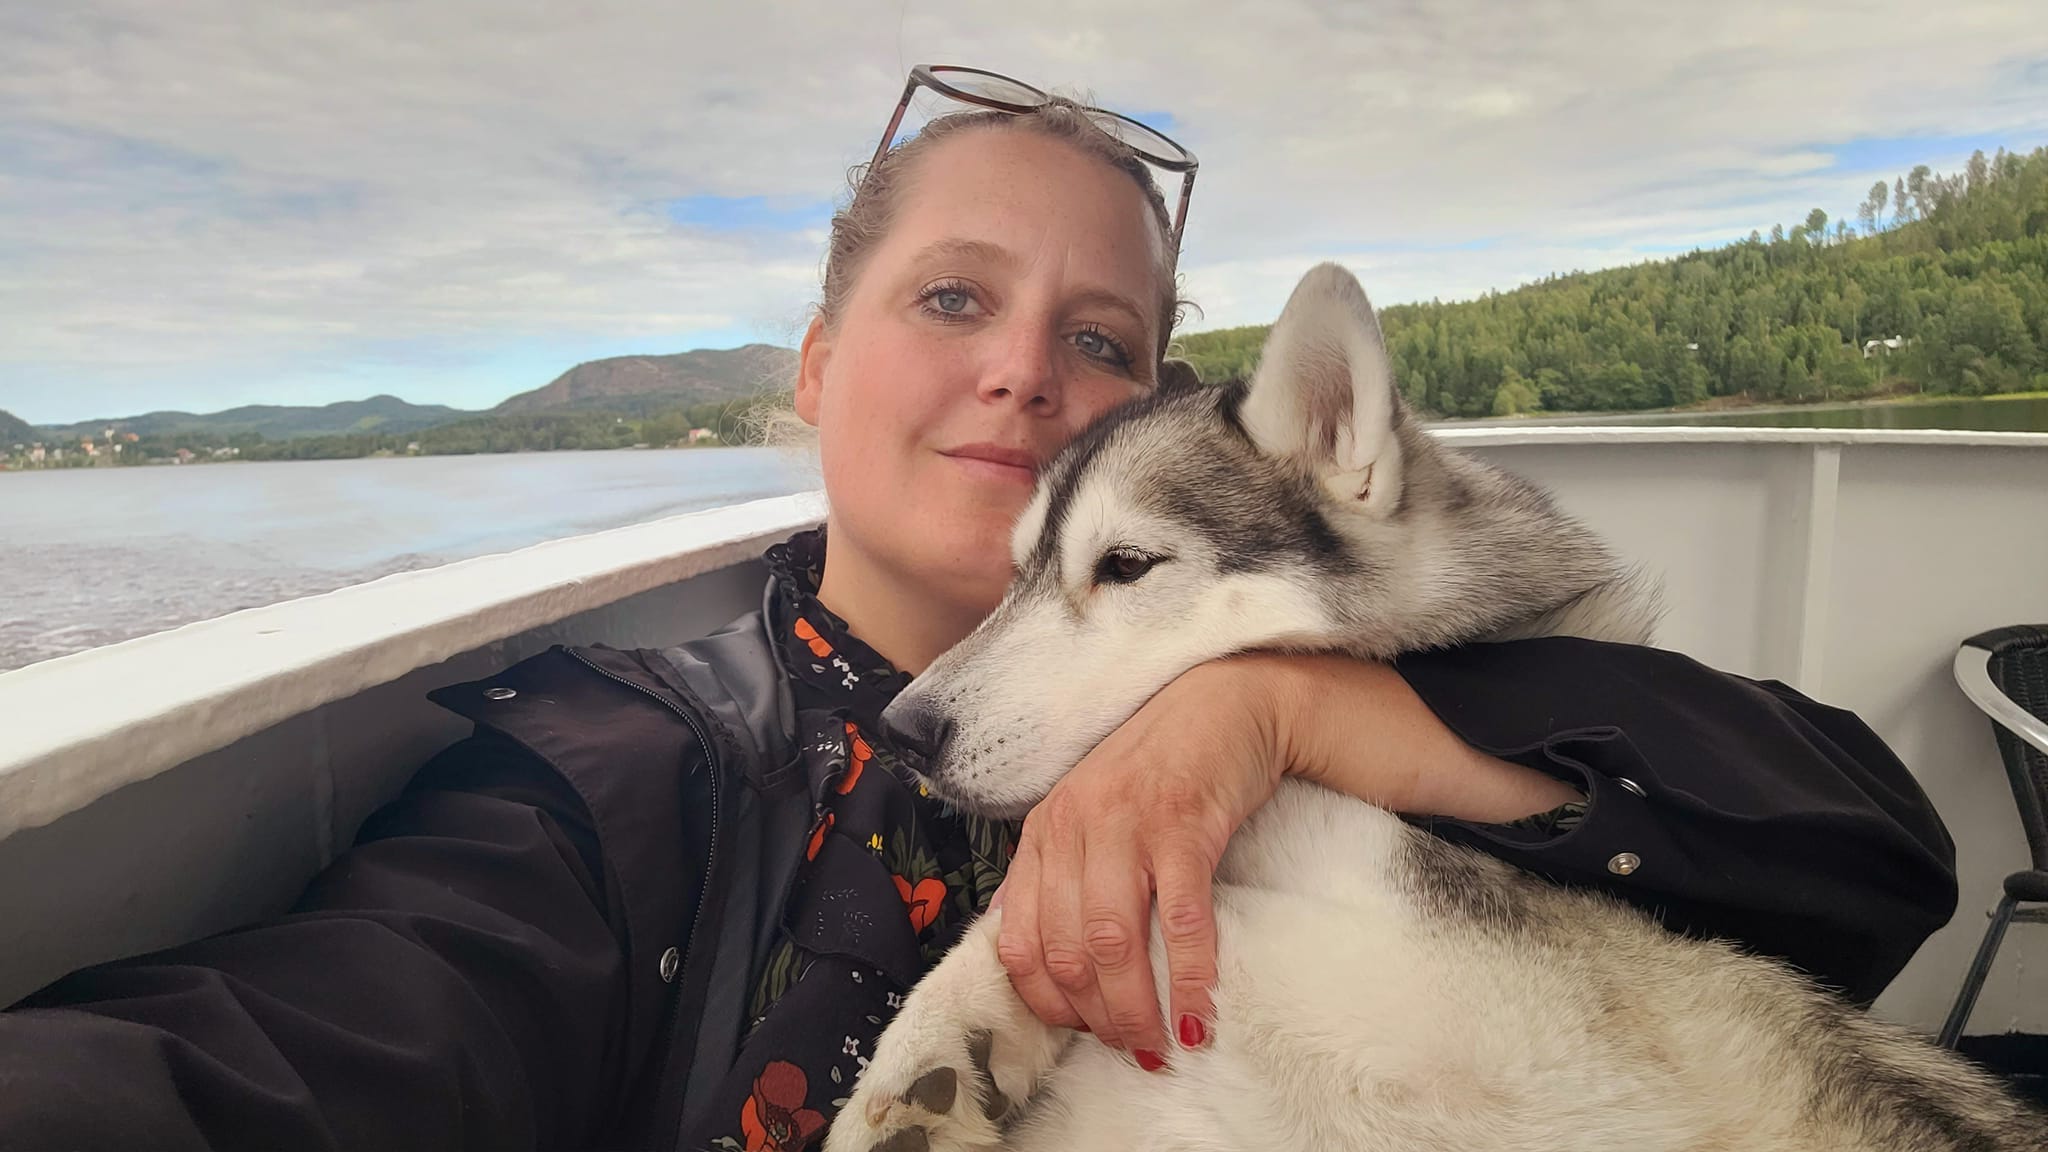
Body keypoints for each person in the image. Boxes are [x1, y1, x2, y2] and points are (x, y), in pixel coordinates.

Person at [0, 67, 1957, 1152]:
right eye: (952, 299)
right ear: (814, 365)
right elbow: (300, 1044)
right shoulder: (625, 773)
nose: (1025, 372)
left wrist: (1284, 714)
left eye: (1100, 340)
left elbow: (1872, 860)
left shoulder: (1320, 655)